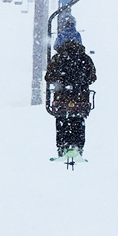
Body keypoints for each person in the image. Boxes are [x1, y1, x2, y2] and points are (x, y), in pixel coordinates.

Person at [45, 9, 96, 158]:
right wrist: (80, 82)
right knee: (78, 121)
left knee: (62, 121)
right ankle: (77, 147)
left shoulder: (57, 59)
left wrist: (61, 81)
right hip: (80, 98)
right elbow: (92, 77)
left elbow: (49, 77)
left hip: (62, 98)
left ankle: (62, 146)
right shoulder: (85, 59)